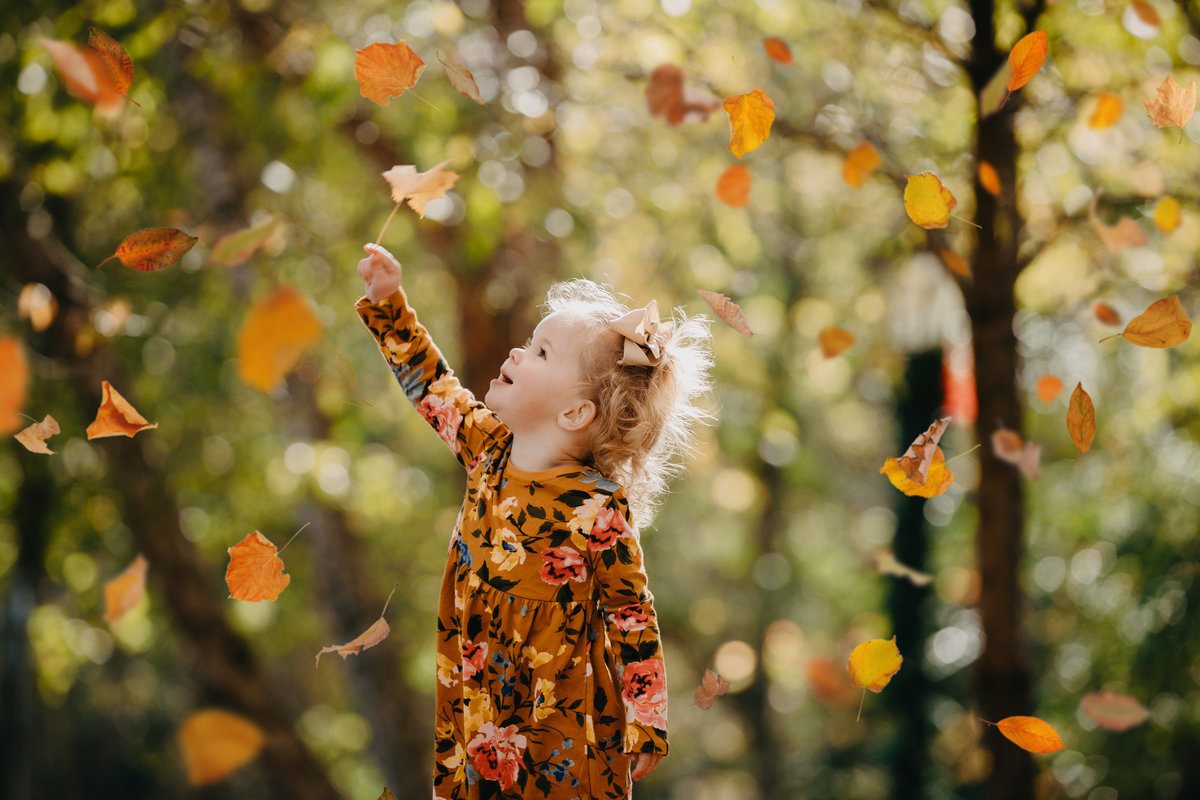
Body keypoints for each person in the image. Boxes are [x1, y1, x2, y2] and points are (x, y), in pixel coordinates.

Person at [355, 243, 712, 799]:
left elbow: (630, 615)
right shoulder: (487, 452)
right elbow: (432, 385)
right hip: (478, 692)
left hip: (559, 716)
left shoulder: (598, 507)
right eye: (527, 343)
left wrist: (647, 719)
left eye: (541, 353)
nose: (518, 354)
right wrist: (389, 304)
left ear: (574, 413)